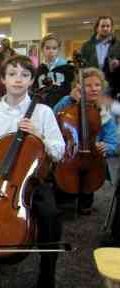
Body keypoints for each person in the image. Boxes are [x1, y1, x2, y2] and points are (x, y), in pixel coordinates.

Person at [0, 55, 66, 288]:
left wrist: (39, 135)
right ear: (2, 79)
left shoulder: (43, 112)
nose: (18, 79)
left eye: (25, 75)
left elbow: (58, 151)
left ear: (31, 80)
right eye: (12, 74)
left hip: (31, 181)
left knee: (50, 216)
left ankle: (46, 279)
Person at [52, 67, 119, 214]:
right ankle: (64, 196)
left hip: (92, 155)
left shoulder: (105, 111)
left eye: (97, 85)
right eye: (88, 85)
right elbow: (53, 117)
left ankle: (86, 198)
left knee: (90, 177)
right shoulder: (67, 101)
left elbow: (114, 141)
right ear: (79, 86)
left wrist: (106, 146)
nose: (93, 89)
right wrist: (70, 99)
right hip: (70, 151)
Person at [80, 16, 120, 98]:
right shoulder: (86, 46)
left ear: (111, 28)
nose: (105, 29)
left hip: (112, 84)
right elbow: (82, 66)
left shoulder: (118, 45)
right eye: (102, 26)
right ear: (97, 28)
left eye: (108, 26)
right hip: (92, 85)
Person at [33, 34, 75, 108]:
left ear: (59, 50)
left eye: (54, 48)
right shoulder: (38, 70)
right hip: (43, 107)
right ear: (42, 49)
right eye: (47, 48)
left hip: (62, 107)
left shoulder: (67, 68)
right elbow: (35, 89)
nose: (51, 51)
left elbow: (72, 88)